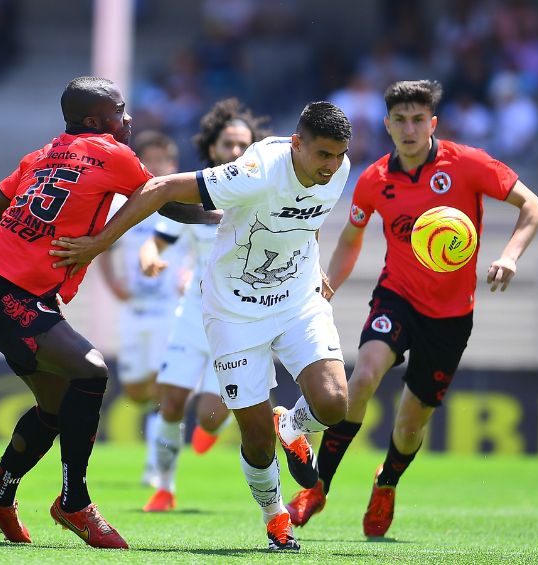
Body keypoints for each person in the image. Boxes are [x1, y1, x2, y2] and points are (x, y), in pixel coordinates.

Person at [50, 101, 355, 551]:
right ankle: (275, 518)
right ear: (297, 144)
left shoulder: (341, 168)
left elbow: (306, 213)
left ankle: (291, 425)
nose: (332, 165)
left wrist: (314, 260)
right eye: (323, 155)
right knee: (253, 438)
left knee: (333, 405)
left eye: (338, 155)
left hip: (297, 302)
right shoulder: (254, 169)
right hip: (233, 314)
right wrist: (98, 244)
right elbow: (160, 189)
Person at [0, 76, 217, 549]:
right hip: (11, 298)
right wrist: (224, 213)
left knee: (55, 407)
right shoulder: (111, 152)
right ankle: (74, 502)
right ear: (96, 120)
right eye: (121, 111)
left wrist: (18, 261)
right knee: (92, 370)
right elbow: (167, 201)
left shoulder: (39, 155)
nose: (128, 119)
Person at [285, 80, 538, 537]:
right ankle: (318, 487)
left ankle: (386, 482)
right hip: (396, 297)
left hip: (450, 317)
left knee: (409, 424)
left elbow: (533, 206)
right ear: (386, 124)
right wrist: (329, 283)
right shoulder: (373, 180)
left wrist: (509, 255)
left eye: (418, 119)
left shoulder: (467, 165)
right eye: (400, 120)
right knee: (361, 377)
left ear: (433, 123)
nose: (409, 128)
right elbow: (351, 238)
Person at [136, 98, 269, 512]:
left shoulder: (262, 198)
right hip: (193, 317)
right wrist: (151, 260)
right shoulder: (194, 197)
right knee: (171, 404)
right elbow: (154, 240)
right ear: (211, 148)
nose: (235, 153)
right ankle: (164, 486)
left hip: (239, 325)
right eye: (228, 144)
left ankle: (212, 428)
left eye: (243, 145)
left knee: (210, 416)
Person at [94, 130, 186, 487]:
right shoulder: (123, 203)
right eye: (147, 159)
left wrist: (187, 273)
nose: (154, 165)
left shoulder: (180, 203)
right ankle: (161, 432)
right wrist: (113, 282)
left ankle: (159, 468)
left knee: (165, 387)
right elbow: (104, 244)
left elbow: (196, 246)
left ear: (171, 163)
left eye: (160, 159)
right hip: (134, 306)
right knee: (135, 389)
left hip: (168, 308)